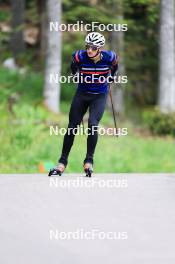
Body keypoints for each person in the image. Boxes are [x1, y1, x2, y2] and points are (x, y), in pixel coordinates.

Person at [49, 32, 119, 176]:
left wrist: (111, 77)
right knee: (72, 127)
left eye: (93, 48)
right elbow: (73, 67)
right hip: (82, 94)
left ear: (100, 48)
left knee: (93, 125)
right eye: (87, 47)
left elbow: (115, 67)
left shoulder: (110, 57)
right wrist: (76, 77)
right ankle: (62, 163)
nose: (89, 50)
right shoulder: (79, 56)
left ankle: (89, 161)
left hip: (99, 96)